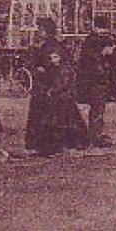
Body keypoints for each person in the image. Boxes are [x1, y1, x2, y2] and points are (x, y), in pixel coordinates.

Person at [25, 18, 85, 155]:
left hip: (52, 87)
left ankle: (52, 144)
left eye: (40, 29)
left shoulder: (52, 47)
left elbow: (59, 69)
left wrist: (45, 73)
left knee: (54, 117)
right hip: (50, 87)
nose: (38, 32)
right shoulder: (48, 46)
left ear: (46, 31)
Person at [76, 15, 116, 147]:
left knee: (96, 108)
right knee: (98, 108)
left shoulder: (90, 40)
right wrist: (106, 53)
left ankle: (94, 135)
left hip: (90, 79)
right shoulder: (104, 40)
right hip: (99, 79)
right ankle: (94, 137)